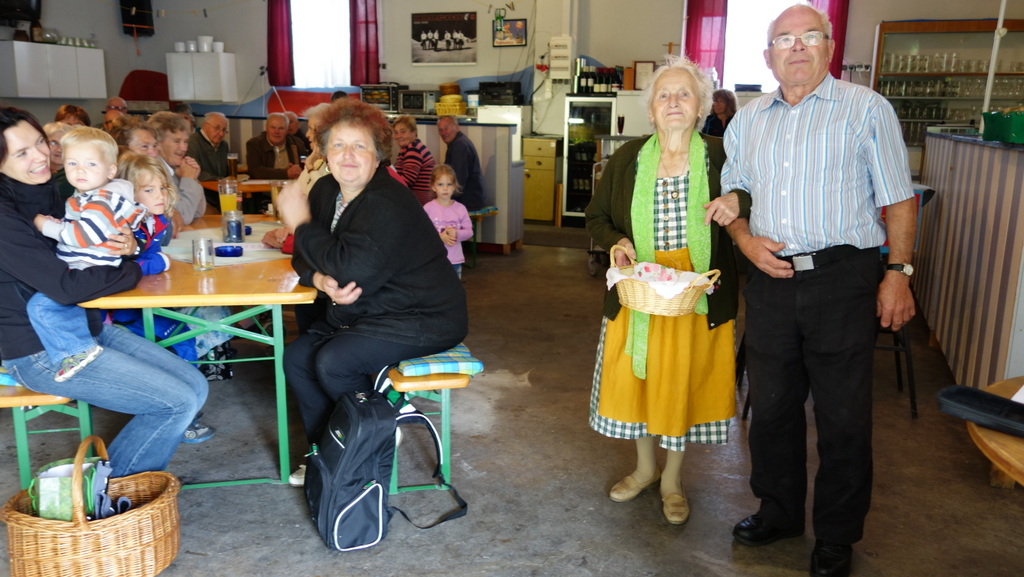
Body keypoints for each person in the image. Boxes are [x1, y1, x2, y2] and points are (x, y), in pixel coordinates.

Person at [721, 6, 916, 577]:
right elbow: (734, 197)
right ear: (768, 56)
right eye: (784, 39)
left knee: (843, 416)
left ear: (829, 46)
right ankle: (779, 512)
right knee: (772, 410)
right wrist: (745, 241)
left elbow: (899, 199)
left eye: (810, 36)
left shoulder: (866, 109)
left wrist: (898, 273)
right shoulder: (747, 122)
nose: (797, 47)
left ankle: (836, 534)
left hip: (843, 279)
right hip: (771, 280)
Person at [0, 106, 209, 477]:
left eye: (40, 143)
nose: (41, 156)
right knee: (175, 403)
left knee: (195, 385)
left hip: (86, 326)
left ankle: (117, 485)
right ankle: (108, 495)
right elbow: (66, 286)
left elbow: (99, 245)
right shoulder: (5, 215)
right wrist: (132, 268)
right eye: (21, 153)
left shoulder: (52, 190)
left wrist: (129, 246)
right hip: (41, 350)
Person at [584, 56, 745, 526]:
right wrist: (617, 243)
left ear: (702, 107)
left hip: (699, 295)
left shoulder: (723, 155)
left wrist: (740, 201)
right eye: (663, 95)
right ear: (652, 110)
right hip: (641, 293)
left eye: (684, 94)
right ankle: (645, 468)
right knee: (642, 382)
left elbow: (752, 197)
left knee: (681, 385)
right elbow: (597, 216)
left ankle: (672, 480)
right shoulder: (628, 159)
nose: (673, 102)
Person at [279, 98, 467, 486]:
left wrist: (301, 225)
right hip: (369, 311)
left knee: (335, 362)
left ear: (378, 154)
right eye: (338, 145)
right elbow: (304, 256)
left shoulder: (387, 200)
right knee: (297, 358)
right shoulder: (326, 190)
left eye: (359, 146)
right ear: (325, 152)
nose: (347, 156)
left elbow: (348, 266)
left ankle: (378, 428)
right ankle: (325, 453)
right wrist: (319, 280)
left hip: (423, 315)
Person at [107, 152, 216, 443]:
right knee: (182, 338)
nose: (160, 195)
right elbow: (121, 268)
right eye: (149, 189)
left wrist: (156, 261)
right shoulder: (123, 227)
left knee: (185, 328)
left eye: (163, 188)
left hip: (148, 301)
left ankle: (180, 407)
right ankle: (184, 417)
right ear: (127, 193)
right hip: (123, 312)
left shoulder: (156, 221)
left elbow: (149, 257)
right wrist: (160, 263)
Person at [28, 127, 146, 381]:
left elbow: (83, 236)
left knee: (40, 306)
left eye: (91, 164)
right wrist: (61, 223)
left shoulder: (101, 200)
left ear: (110, 171)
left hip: (89, 266)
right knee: (59, 305)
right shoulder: (89, 196)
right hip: (88, 264)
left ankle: (77, 351)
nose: (80, 170)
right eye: (73, 163)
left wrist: (45, 226)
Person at [149, 111, 207, 229]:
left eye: (185, 141)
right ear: (157, 143)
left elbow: (198, 212)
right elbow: (184, 216)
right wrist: (188, 179)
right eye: (177, 141)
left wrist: (193, 178)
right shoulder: (154, 172)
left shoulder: (174, 168)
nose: (184, 148)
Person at [423, 165, 473, 278]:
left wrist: (457, 233)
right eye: (440, 184)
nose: (445, 188)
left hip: (455, 261)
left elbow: (469, 232)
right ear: (433, 187)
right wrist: (439, 237)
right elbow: (422, 233)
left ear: (454, 186)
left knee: (454, 288)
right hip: (434, 260)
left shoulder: (460, 209)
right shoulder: (427, 208)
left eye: (449, 184)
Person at [437, 116, 485, 211]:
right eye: (440, 130)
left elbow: (459, 181)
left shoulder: (459, 145)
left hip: (468, 200)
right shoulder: (458, 142)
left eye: (446, 128)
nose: (443, 133)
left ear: (457, 127)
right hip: (470, 197)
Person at [393, 115, 436, 205]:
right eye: (396, 132)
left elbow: (407, 181)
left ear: (414, 132)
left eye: (403, 132)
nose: (398, 136)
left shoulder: (414, 149)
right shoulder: (408, 148)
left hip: (419, 204)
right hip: (419, 202)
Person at [246, 112, 302, 180]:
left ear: (287, 130)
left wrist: (298, 169)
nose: (276, 132)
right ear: (266, 128)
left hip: (292, 184)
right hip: (265, 185)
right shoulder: (254, 144)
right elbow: (255, 171)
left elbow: (305, 164)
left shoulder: (297, 143)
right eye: (273, 127)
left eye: (281, 128)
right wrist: (285, 174)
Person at [43, 121, 75, 200]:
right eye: (54, 143)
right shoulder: (39, 169)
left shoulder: (71, 177)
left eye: (65, 145)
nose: (59, 149)